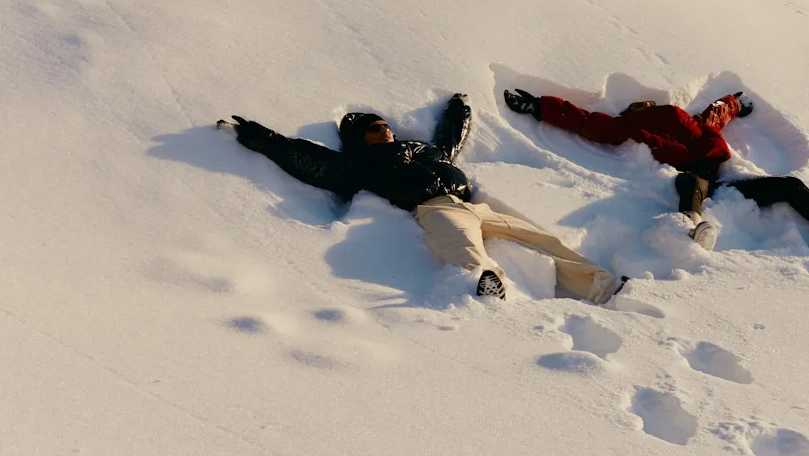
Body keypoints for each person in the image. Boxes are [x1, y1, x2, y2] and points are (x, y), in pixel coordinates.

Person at [219, 94, 620, 302]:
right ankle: (485, 284)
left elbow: (449, 141)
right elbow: (302, 157)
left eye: (386, 125)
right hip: (433, 207)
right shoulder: (357, 164)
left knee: (542, 240)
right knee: (460, 244)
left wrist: (458, 110)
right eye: (377, 128)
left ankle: (600, 285)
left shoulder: (423, 149)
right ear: (362, 137)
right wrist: (257, 136)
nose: (386, 130)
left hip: (471, 202)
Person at [503, 89, 809, 250]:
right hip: (707, 180)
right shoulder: (631, 128)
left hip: (727, 177)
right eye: (640, 107)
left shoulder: (691, 123)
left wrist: (736, 103)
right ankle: (692, 227)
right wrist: (540, 106)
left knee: (789, 185)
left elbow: (718, 113)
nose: (645, 107)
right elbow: (589, 122)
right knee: (689, 182)